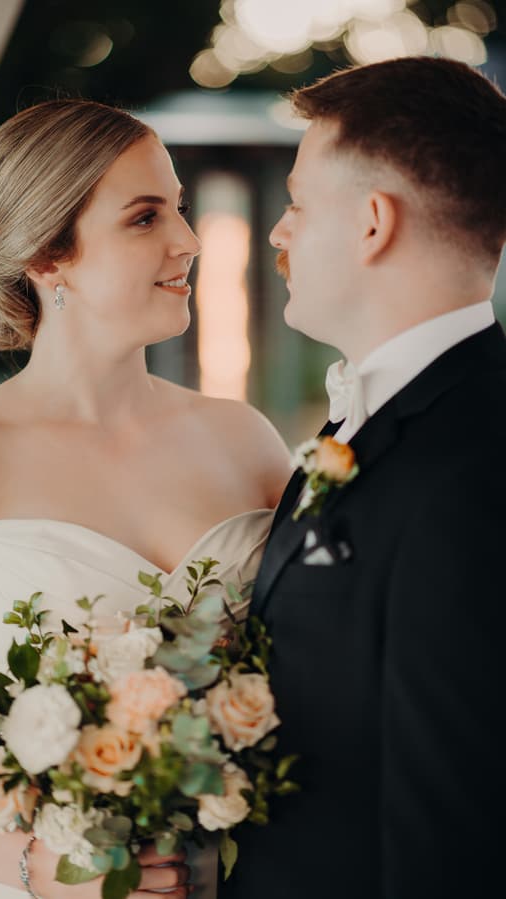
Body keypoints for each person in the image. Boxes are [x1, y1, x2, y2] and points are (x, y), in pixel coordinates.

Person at [0, 99, 291, 899]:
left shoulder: (247, 441)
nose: (187, 240)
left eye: (179, 208)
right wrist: (35, 864)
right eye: (145, 217)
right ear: (48, 254)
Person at [220, 56, 506, 899]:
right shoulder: (370, 420)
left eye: (300, 204)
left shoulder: (475, 463)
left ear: (374, 222)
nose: (279, 231)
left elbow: (458, 821)